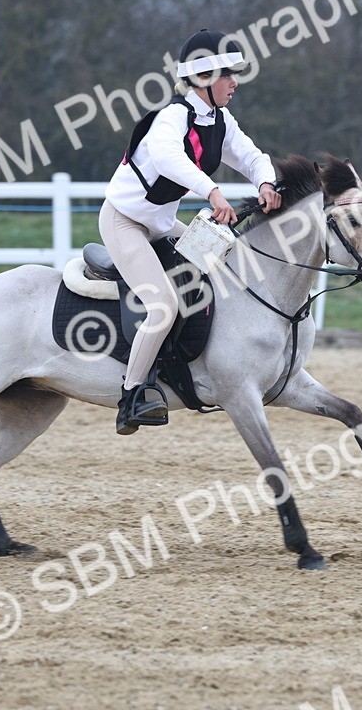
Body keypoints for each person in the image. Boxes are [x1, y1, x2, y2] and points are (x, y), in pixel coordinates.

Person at [100, 29, 282, 435]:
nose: (235, 82)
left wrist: (265, 182)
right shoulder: (171, 117)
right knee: (162, 303)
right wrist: (213, 191)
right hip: (124, 223)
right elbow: (167, 158)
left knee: (227, 265)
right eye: (228, 75)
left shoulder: (219, 119)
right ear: (203, 78)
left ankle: (185, 362)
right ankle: (130, 396)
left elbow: (251, 156)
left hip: (161, 224)